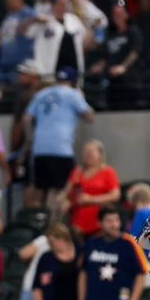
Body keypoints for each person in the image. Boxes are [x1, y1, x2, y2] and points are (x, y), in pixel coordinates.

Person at [25, 68, 94, 211]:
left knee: (39, 189)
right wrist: (82, 97)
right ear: (73, 81)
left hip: (40, 148)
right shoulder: (73, 95)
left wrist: (31, 138)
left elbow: (26, 118)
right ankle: (55, 225)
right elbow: (89, 117)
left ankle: (35, 222)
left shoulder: (41, 94)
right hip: (62, 149)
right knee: (61, 191)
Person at [77, 208, 145, 300]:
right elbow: (83, 273)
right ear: (100, 223)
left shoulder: (130, 243)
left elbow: (141, 275)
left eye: (116, 220)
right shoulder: (91, 243)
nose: (114, 225)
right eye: (109, 221)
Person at [67, 139, 121, 238]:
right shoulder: (78, 172)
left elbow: (115, 195)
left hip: (98, 223)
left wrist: (91, 199)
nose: (88, 154)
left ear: (100, 154)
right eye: (86, 152)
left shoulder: (108, 172)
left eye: (91, 151)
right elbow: (68, 193)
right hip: (77, 223)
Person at [32, 223, 81, 300]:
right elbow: (37, 287)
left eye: (52, 242)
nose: (50, 246)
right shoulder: (46, 258)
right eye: (49, 243)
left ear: (63, 239)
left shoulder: (81, 254)